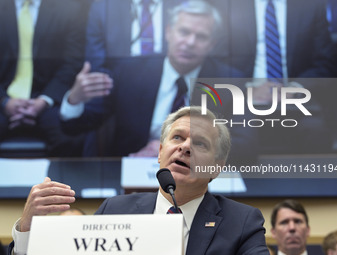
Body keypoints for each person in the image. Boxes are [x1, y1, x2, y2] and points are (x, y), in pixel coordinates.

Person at [8, 106, 269, 255]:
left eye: (200, 144)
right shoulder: (115, 211)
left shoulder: (242, 222)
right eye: (177, 138)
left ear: (216, 167)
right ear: (159, 152)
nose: (185, 148)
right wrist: (29, 229)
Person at [60, 0, 258, 164]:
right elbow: (75, 126)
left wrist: (181, 148)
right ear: (168, 32)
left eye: (201, 37)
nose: (189, 42)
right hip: (136, 172)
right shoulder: (129, 73)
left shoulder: (231, 82)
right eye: (184, 32)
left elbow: (246, 144)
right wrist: (74, 100)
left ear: (212, 44)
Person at [213, 0, 336, 153]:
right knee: (233, 135)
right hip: (240, 99)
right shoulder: (229, 4)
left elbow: (325, 62)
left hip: (294, 101)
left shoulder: (310, 6)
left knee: (316, 132)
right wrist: (248, 89)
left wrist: (294, 89)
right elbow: (215, 59)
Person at [0, 0, 89, 156]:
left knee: (72, 138)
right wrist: (4, 101)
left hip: (49, 98)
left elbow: (72, 62)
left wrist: (45, 100)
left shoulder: (69, 8)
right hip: (3, 95)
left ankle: (57, 181)